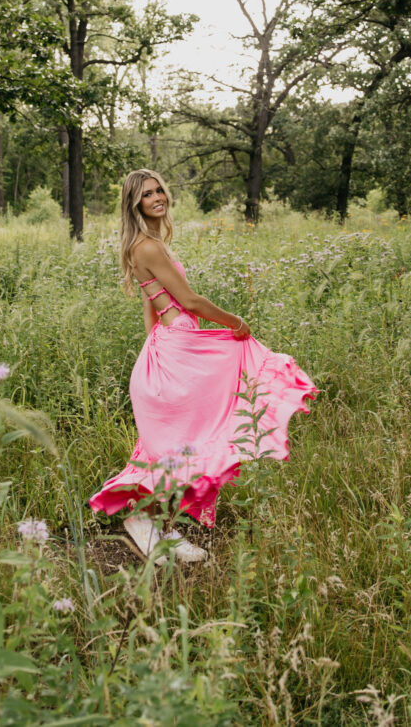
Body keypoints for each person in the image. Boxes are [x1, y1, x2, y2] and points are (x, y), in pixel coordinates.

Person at [89, 168, 316, 562]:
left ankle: (163, 530)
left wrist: (157, 353)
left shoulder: (147, 244)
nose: (158, 197)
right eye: (147, 194)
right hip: (176, 352)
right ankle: (145, 524)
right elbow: (190, 302)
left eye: (160, 189)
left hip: (172, 349)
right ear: (134, 203)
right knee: (192, 444)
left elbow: (150, 310)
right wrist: (236, 323)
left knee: (186, 448)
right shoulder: (148, 247)